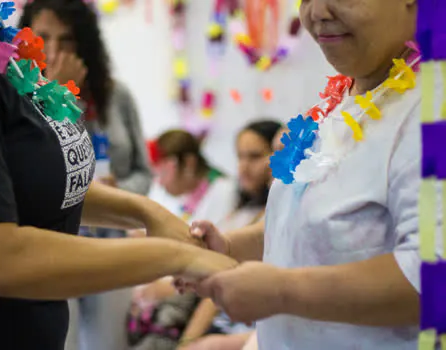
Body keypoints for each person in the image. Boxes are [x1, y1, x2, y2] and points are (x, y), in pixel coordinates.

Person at [0, 1, 237, 350]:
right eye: (45, 36)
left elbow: (23, 179)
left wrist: (146, 213)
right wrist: (178, 257)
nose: (55, 47)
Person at [188, 0, 431, 349]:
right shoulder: (341, 99)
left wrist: (283, 291)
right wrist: (227, 246)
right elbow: (298, 224)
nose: (316, 12)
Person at [19, 2, 152, 349]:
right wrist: (57, 92)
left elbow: (143, 171)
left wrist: (118, 191)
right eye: (42, 38)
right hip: (52, 247)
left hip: (111, 245)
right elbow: (31, 166)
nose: (54, 50)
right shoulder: (15, 94)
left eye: (67, 41)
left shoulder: (115, 95)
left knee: (111, 343)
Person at [127, 129, 238, 349]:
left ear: (188, 163)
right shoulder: (192, 195)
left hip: (197, 295)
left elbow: (211, 256)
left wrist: (163, 288)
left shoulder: (224, 191)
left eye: (164, 171)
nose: (159, 182)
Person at [177, 120, 282, 350]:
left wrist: (191, 342)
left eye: (254, 156)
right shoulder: (234, 199)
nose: (243, 167)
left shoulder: (273, 210)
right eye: (240, 157)